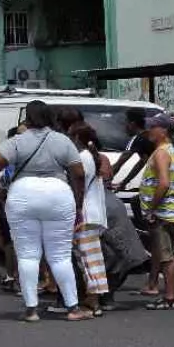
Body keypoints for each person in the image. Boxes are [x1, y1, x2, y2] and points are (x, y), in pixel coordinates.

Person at [0, 100, 89, 322]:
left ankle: (31, 309)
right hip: (58, 194)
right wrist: (78, 202)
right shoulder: (63, 141)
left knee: (27, 255)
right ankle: (72, 308)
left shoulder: (17, 141)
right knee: (60, 255)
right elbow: (79, 173)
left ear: (28, 118)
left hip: (23, 194)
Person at [141, 112, 174, 312]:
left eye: (153, 127)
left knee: (166, 257)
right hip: (169, 211)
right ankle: (172, 295)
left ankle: (169, 296)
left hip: (162, 213)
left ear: (164, 131)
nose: (149, 130)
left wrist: (151, 208)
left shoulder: (161, 153)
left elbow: (164, 183)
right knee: (169, 255)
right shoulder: (169, 150)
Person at [70, 123, 110, 316]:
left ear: (77, 138)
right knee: (90, 257)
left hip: (86, 214)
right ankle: (92, 297)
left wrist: (76, 210)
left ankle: (93, 301)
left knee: (89, 259)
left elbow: (79, 185)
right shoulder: (92, 156)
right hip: (94, 213)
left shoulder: (83, 158)